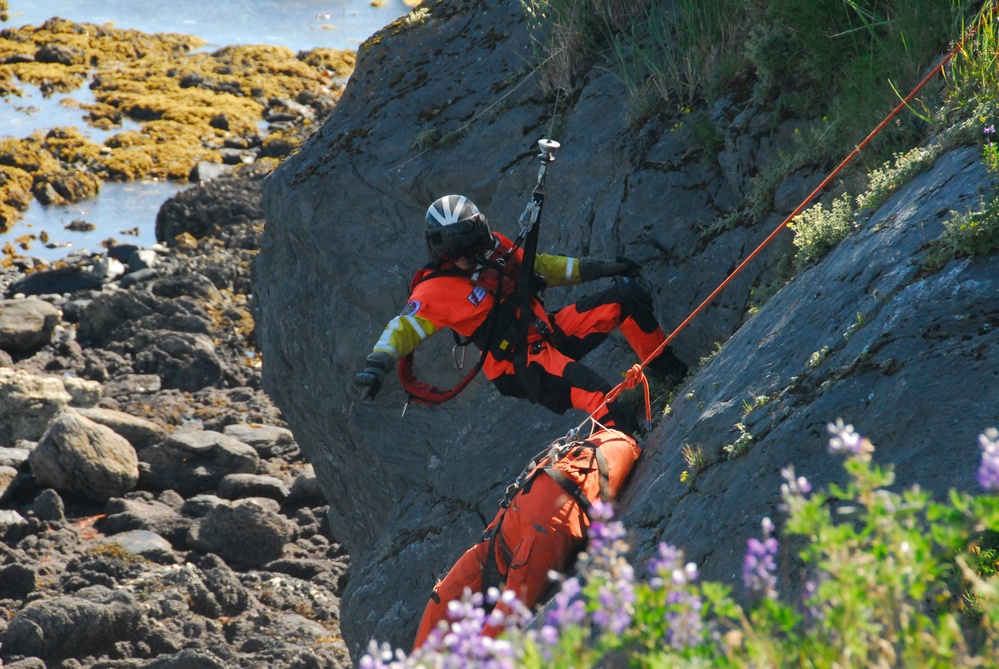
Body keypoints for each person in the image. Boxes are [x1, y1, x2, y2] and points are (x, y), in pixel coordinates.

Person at [353, 194, 688, 430]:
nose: (469, 258)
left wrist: (600, 268)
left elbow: (540, 268)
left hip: (550, 331)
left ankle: (675, 379)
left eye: (473, 248)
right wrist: (377, 365)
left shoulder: (496, 248)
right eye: (459, 254)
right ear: (441, 251)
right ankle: (633, 455)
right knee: (602, 397)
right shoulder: (435, 290)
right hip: (520, 365)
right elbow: (403, 327)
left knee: (627, 298)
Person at [411, 426, 641, 650]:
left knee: (481, 606)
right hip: (524, 517)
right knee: (448, 598)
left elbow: (511, 609)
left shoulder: (542, 532)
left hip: (536, 520)